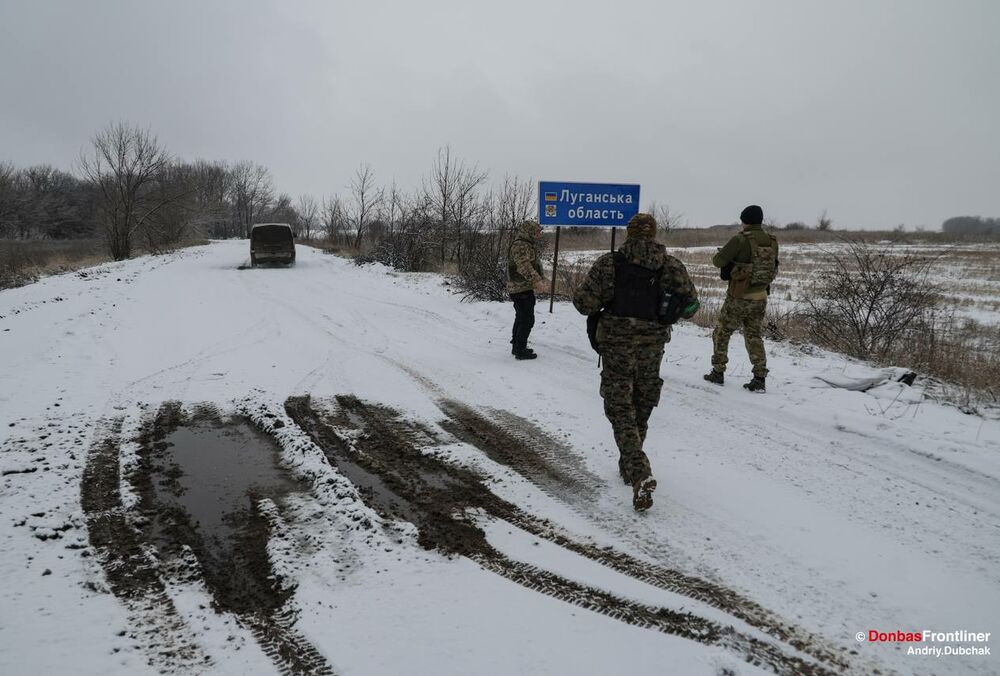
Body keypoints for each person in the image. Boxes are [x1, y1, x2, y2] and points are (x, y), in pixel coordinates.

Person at [573, 213, 699, 511]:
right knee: (641, 403)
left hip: (617, 345)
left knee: (619, 407)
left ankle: (638, 468)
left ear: (629, 234)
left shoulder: (609, 264)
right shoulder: (672, 265)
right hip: (652, 347)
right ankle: (629, 464)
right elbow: (692, 306)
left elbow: (584, 304)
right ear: (654, 234)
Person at [704, 205, 778, 392]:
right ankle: (759, 377)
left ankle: (718, 372)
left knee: (722, 332)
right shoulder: (772, 241)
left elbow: (718, 261)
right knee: (754, 336)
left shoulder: (739, 239)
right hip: (760, 296)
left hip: (739, 296)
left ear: (745, 220)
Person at [507, 219, 548, 360]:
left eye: (539, 232)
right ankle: (520, 350)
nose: (539, 234)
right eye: (537, 232)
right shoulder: (521, 245)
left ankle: (517, 346)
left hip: (522, 287)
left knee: (521, 317)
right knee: (527, 319)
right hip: (520, 288)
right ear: (529, 232)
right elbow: (523, 266)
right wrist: (537, 281)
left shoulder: (526, 244)